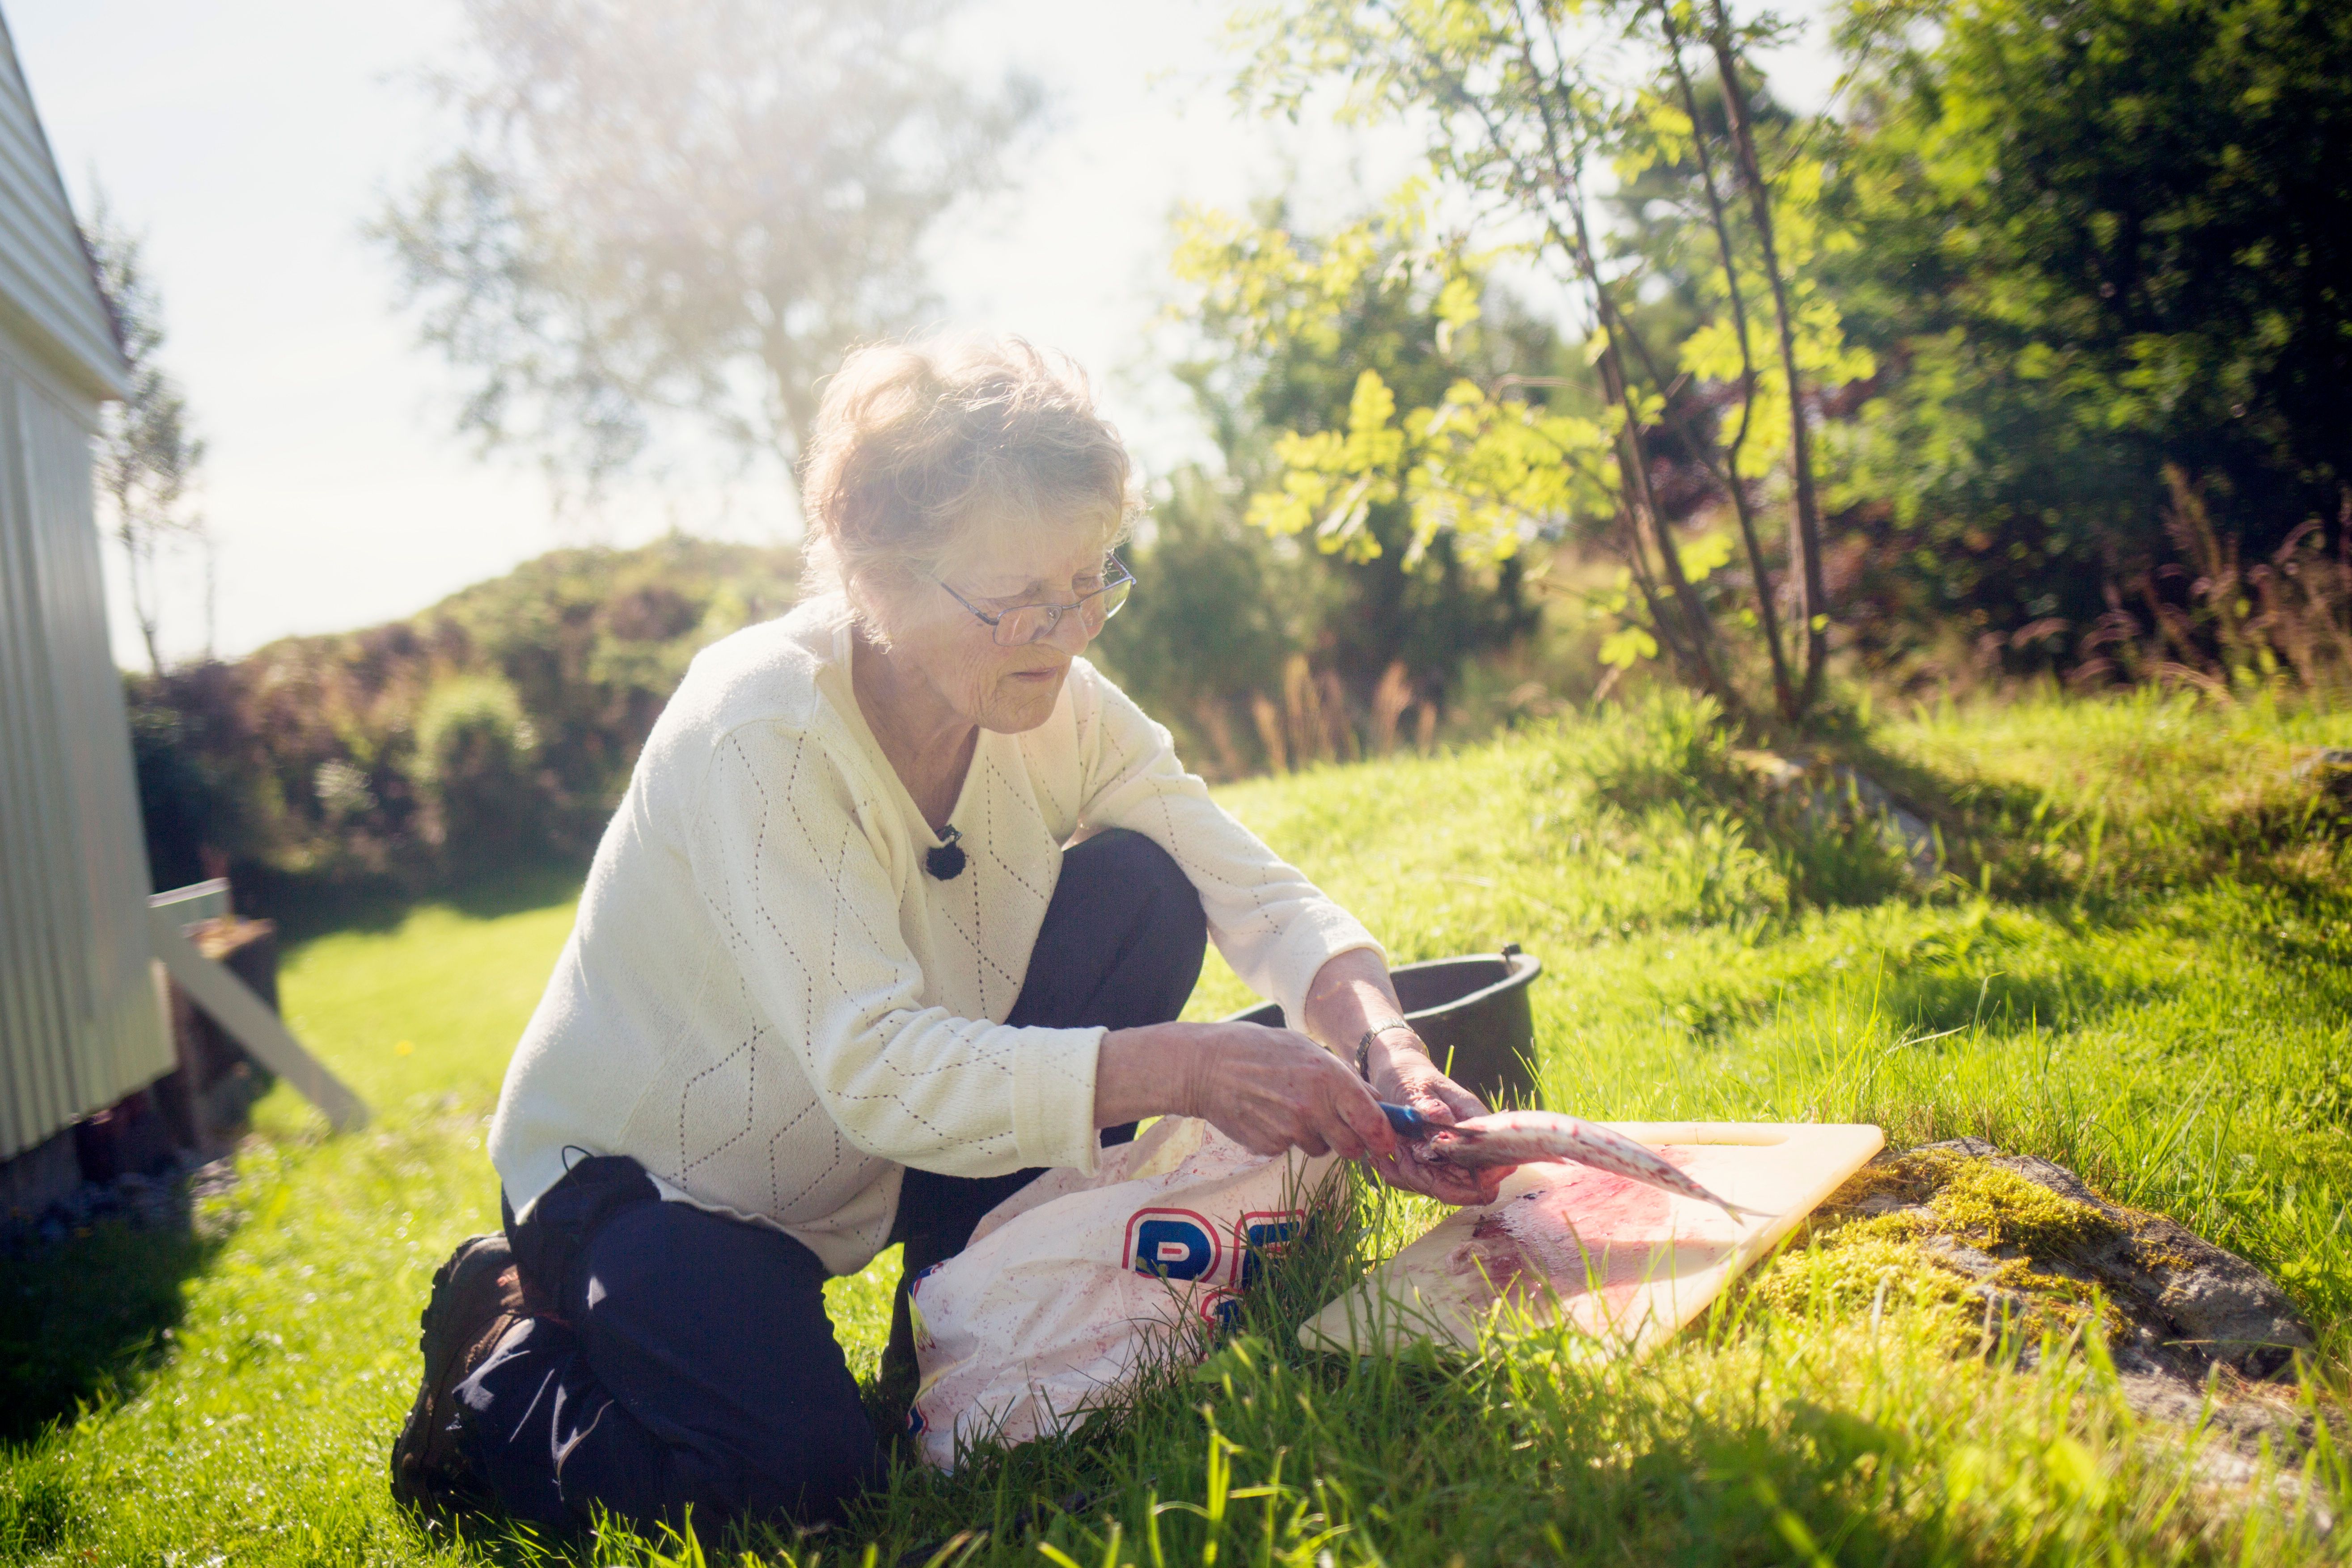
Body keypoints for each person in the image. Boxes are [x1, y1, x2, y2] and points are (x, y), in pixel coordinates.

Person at [387, 337, 1506, 1534]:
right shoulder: (759, 731)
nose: (1067, 628)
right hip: (645, 1187)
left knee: (1143, 883)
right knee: (803, 1483)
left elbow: (1252, 887)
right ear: (878, 568)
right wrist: (1186, 1066)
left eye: (1089, 581)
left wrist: (1386, 1047)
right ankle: (498, 1362)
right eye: (1019, 597)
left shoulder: (1054, 699)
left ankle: (947, 1340)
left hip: (853, 1154)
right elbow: (874, 1068)